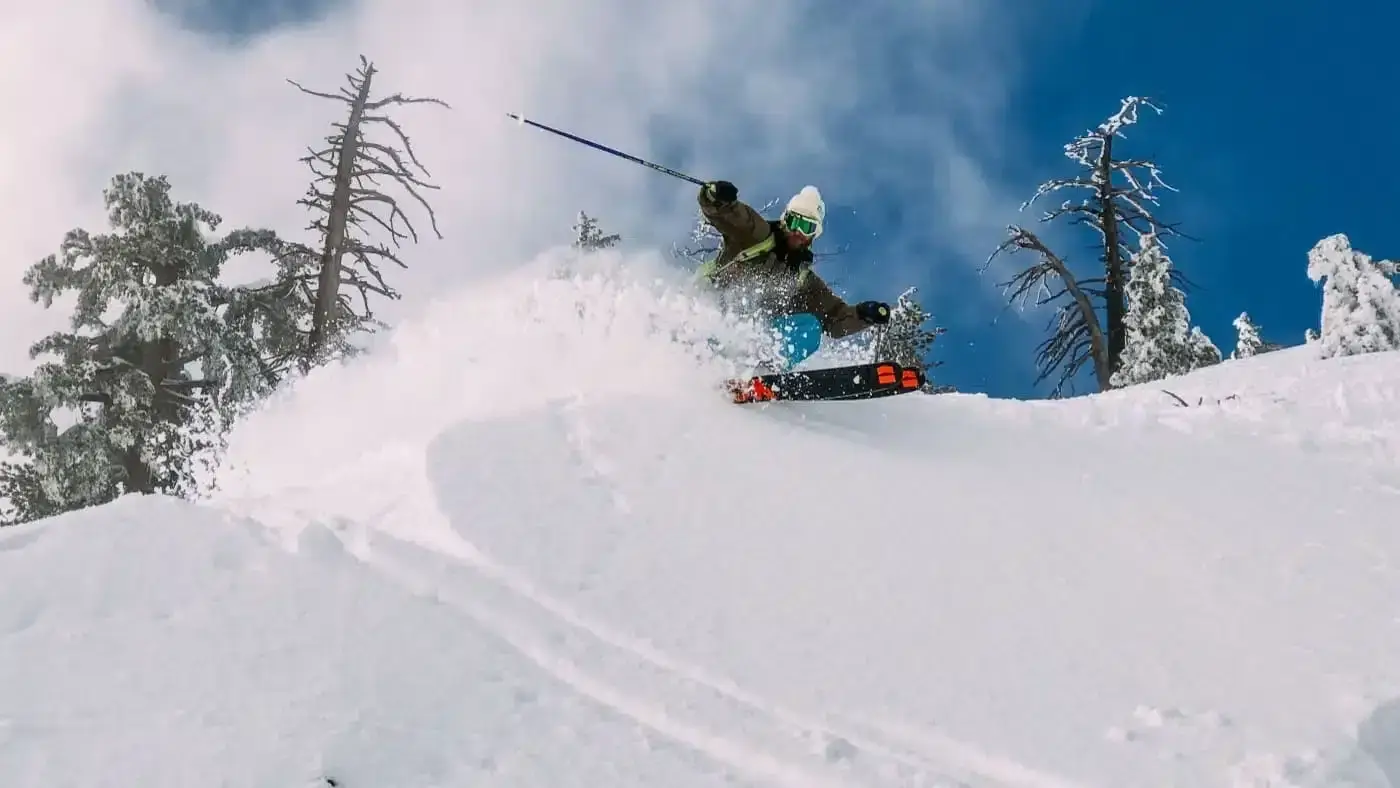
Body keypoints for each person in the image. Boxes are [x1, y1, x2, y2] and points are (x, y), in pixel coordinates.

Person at [695, 179, 890, 370]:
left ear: (814, 234)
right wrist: (717, 198)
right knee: (727, 315)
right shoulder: (757, 236)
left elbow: (834, 318)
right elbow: (734, 217)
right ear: (784, 220)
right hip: (713, 316)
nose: (797, 231)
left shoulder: (804, 281)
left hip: (749, 340)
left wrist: (862, 315)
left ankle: (766, 369)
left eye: (806, 227)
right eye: (793, 221)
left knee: (810, 328)